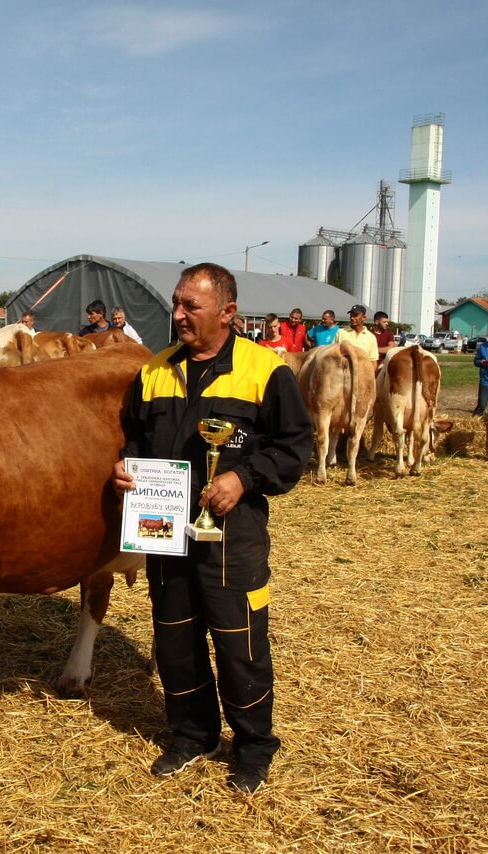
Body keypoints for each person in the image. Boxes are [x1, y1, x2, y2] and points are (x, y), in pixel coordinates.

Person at [113, 262, 313, 794]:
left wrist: (244, 478)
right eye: (176, 303)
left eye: (190, 306)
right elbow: (132, 437)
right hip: (163, 530)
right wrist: (125, 468)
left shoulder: (265, 371)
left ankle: (253, 746)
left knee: (238, 642)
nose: (177, 314)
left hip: (232, 534)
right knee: (174, 639)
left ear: (227, 312)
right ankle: (191, 734)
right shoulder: (154, 370)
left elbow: (295, 447)